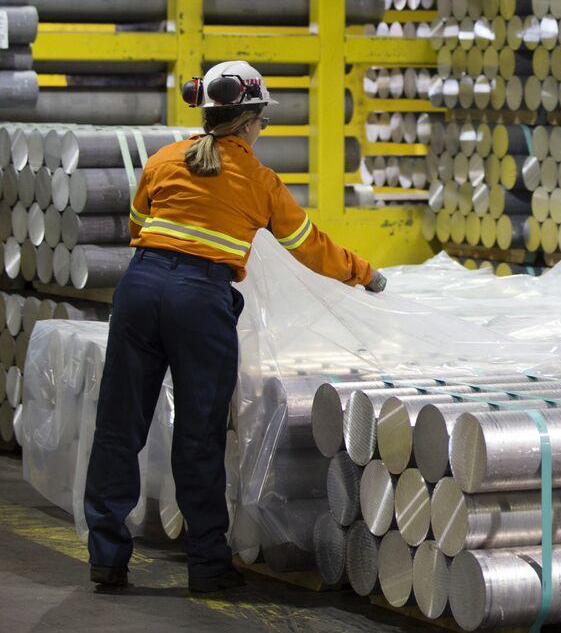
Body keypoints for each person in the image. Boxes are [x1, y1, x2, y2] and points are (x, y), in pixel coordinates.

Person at [83, 60, 385, 593]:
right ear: (248, 121)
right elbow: (310, 248)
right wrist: (366, 274)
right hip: (199, 303)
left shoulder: (163, 159)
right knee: (198, 435)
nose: (262, 128)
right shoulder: (260, 182)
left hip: (139, 289)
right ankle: (207, 566)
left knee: (118, 426)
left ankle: (106, 559)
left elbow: (138, 224)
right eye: (262, 120)